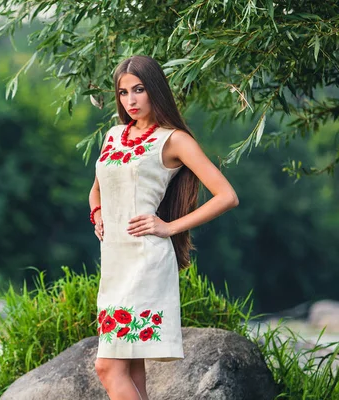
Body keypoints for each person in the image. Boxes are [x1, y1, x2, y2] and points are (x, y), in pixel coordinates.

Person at [88, 55, 239, 400]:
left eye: (139, 90)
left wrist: (169, 227)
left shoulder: (173, 140)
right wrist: (97, 214)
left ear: (154, 89)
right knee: (131, 370)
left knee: (107, 366)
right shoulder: (113, 136)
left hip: (146, 261)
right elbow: (97, 186)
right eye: (124, 92)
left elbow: (226, 196)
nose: (131, 100)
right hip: (114, 262)